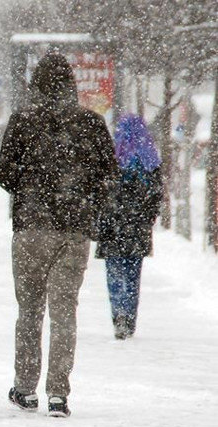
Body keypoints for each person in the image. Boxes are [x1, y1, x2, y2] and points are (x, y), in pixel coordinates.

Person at [0, 53, 118, 418]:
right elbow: (109, 176)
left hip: (31, 227)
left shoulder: (23, 121)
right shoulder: (91, 123)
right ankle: (58, 394)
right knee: (65, 312)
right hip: (74, 231)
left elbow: (4, 172)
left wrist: (30, 186)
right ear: (71, 84)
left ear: (36, 85)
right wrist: (85, 199)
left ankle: (25, 387)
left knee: (30, 310)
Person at [95, 114, 163, 340]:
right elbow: (156, 195)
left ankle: (118, 315)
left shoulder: (113, 156)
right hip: (137, 227)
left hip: (112, 225)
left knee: (114, 273)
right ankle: (130, 317)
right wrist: (148, 217)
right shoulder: (150, 159)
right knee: (133, 275)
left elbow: (100, 190)